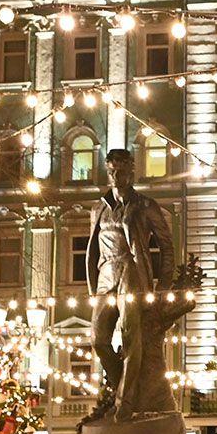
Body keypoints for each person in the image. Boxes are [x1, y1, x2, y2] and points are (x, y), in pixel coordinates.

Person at [86, 147, 176, 419]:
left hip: (133, 270)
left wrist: (163, 287)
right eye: (112, 171)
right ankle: (123, 386)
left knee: (130, 336)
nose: (117, 176)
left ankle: (125, 404)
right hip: (106, 273)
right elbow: (91, 250)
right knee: (98, 339)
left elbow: (166, 246)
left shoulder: (145, 205)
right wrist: (93, 287)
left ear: (132, 171)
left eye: (122, 171)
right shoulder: (99, 207)